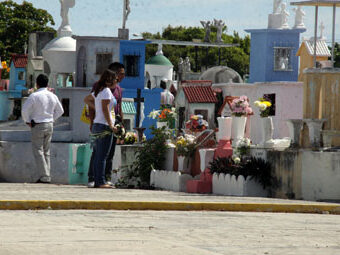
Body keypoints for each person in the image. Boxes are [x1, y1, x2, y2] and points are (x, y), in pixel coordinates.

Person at [85, 62, 125, 188]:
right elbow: (105, 109)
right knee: (102, 155)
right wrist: (111, 125)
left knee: (99, 155)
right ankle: (100, 181)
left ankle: (99, 180)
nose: (117, 80)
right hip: (104, 125)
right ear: (110, 79)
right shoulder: (107, 91)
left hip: (98, 124)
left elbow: (92, 102)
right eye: (115, 78)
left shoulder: (99, 89)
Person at [22, 74, 64, 183]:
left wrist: (27, 121)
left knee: (38, 150)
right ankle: (46, 175)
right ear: (47, 84)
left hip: (37, 125)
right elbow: (61, 111)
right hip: (49, 124)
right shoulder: (53, 96)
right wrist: (52, 119)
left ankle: (45, 176)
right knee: (46, 151)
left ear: (37, 84)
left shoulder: (34, 96)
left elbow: (24, 110)